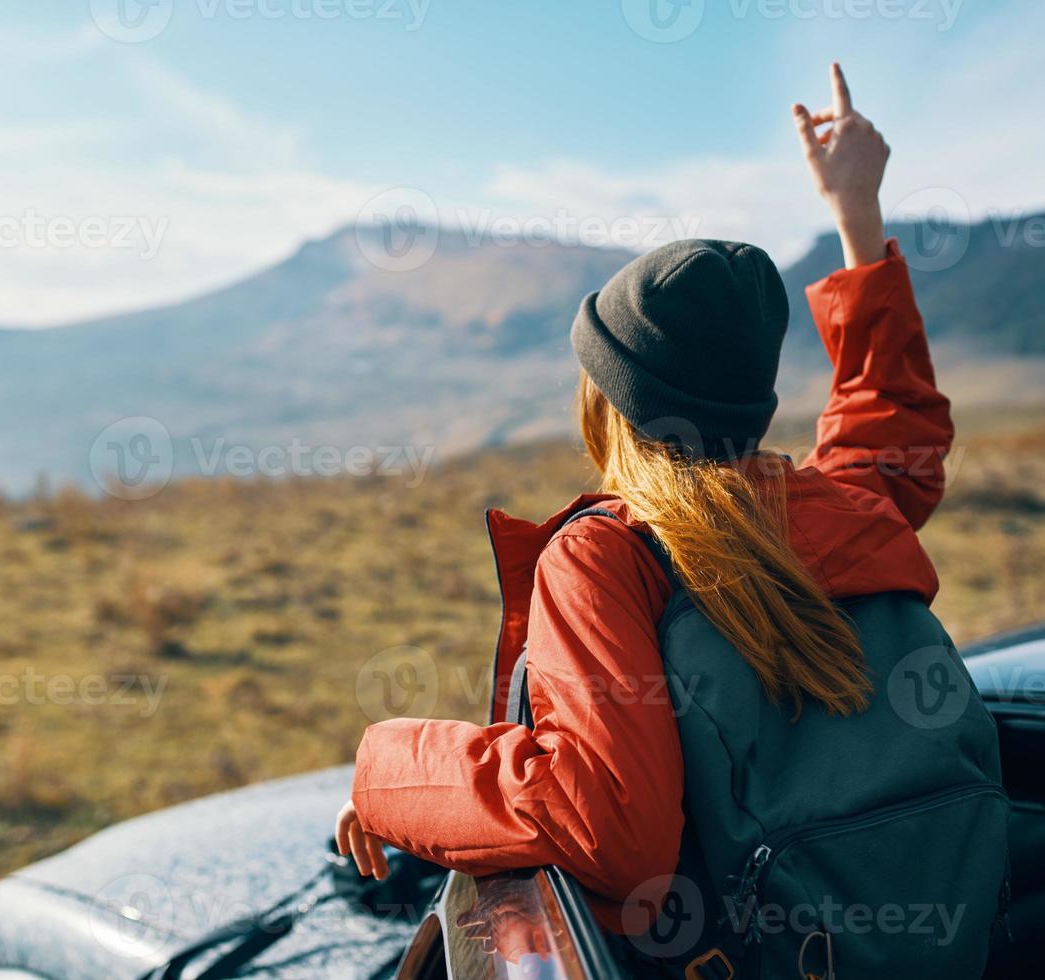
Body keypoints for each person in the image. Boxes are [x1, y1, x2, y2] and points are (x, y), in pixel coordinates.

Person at [336, 64, 1000, 973]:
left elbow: (609, 821)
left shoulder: (606, 558)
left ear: (610, 403)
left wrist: (387, 772)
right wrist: (858, 214)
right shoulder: (839, 512)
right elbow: (891, 414)